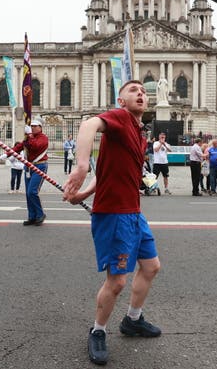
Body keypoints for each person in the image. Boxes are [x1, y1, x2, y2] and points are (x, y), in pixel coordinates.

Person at [63, 80, 162, 366]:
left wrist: (84, 192)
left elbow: (106, 169)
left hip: (133, 212)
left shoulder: (139, 132)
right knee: (117, 281)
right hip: (115, 214)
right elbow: (87, 125)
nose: (141, 93)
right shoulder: (119, 118)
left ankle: (132, 320)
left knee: (151, 266)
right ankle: (98, 330)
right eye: (133, 91)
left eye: (143, 91)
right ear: (121, 101)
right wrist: (81, 166)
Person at [12, 117, 49, 226]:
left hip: (39, 166)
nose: (32, 128)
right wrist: (8, 153)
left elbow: (36, 146)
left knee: (32, 191)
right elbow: (19, 147)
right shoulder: (29, 138)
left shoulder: (43, 138)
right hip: (28, 167)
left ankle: (40, 214)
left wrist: (29, 136)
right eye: (31, 126)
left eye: (35, 126)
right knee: (28, 194)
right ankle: (32, 216)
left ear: (40, 127)